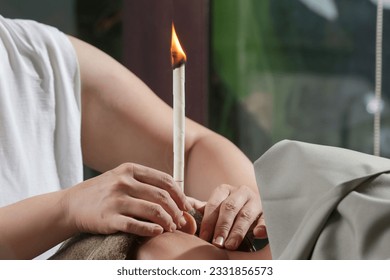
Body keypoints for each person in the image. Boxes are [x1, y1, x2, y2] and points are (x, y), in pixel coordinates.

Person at [0, 15, 266, 259]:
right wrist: (69, 207)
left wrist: (242, 207)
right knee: (167, 249)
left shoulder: (32, 53)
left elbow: (190, 148)